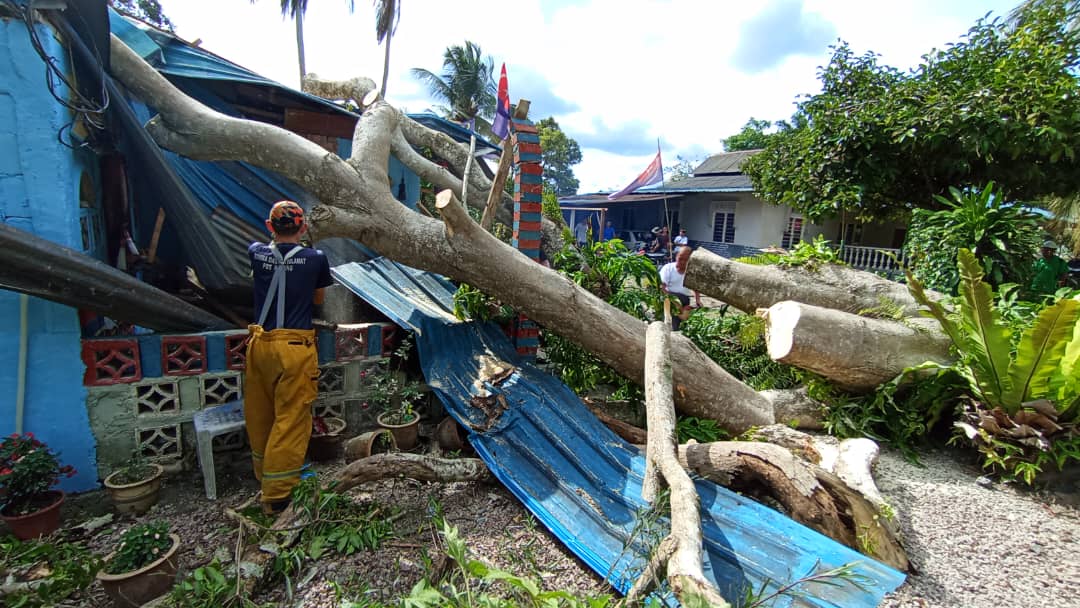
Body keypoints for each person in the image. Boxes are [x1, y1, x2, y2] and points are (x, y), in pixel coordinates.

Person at [244, 200, 333, 514]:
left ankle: (264, 476)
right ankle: (278, 496)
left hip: (259, 344)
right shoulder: (315, 259)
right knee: (291, 418)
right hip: (293, 348)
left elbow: (264, 259)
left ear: (270, 227)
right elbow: (318, 298)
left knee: (260, 414)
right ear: (303, 227)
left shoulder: (256, 251)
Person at [659, 247, 702, 331]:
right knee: (669, 324)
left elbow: (696, 289)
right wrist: (677, 305)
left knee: (683, 323)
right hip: (668, 299)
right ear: (676, 256)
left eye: (686, 260)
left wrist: (697, 302)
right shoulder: (668, 268)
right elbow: (662, 288)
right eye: (680, 258)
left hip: (684, 301)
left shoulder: (691, 272)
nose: (682, 262)